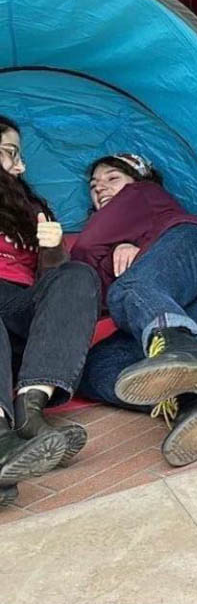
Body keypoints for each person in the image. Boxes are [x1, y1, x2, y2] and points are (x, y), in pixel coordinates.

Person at [73, 154, 197, 467]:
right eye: (93, 186)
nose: (100, 188)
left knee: (126, 288)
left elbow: (85, 248)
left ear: (138, 179)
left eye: (112, 178)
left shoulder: (142, 195)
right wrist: (120, 249)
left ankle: (178, 348)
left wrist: (117, 257)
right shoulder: (121, 231)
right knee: (92, 367)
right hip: (195, 310)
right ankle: (196, 399)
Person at [0, 116, 100, 501]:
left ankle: (31, 411)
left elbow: (52, 284)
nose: (21, 166)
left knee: (77, 275)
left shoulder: (33, 209)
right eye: (10, 154)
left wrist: (54, 248)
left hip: (25, 315)